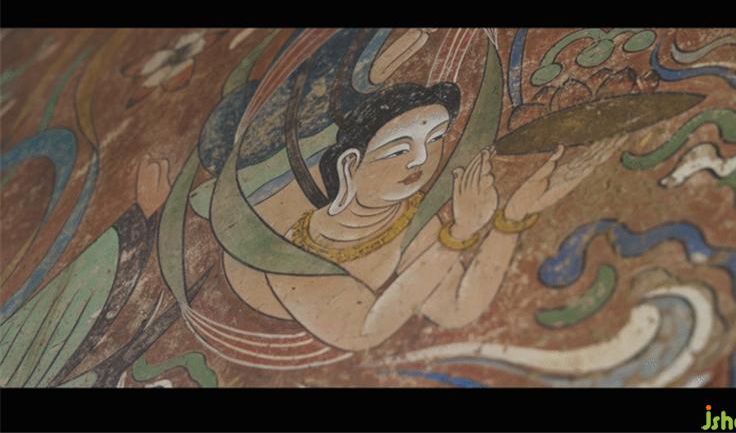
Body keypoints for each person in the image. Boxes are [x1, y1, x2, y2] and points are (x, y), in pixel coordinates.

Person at [224, 82, 625, 351]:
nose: (422, 160)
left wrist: (511, 218)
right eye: (399, 149)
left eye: (435, 140)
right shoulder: (289, 254)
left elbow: (456, 307)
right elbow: (361, 331)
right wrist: (458, 236)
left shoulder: (410, 214)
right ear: (350, 165)